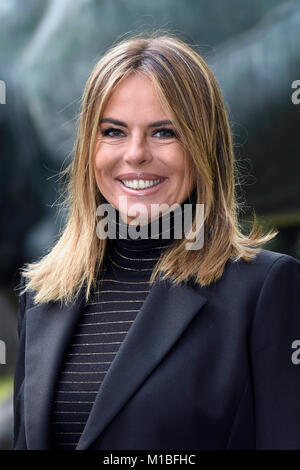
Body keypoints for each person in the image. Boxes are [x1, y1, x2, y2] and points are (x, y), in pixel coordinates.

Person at [14, 32, 300, 450]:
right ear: (88, 149)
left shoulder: (265, 290)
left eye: (164, 132)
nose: (136, 154)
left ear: (204, 148)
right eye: (113, 131)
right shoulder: (41, 297)